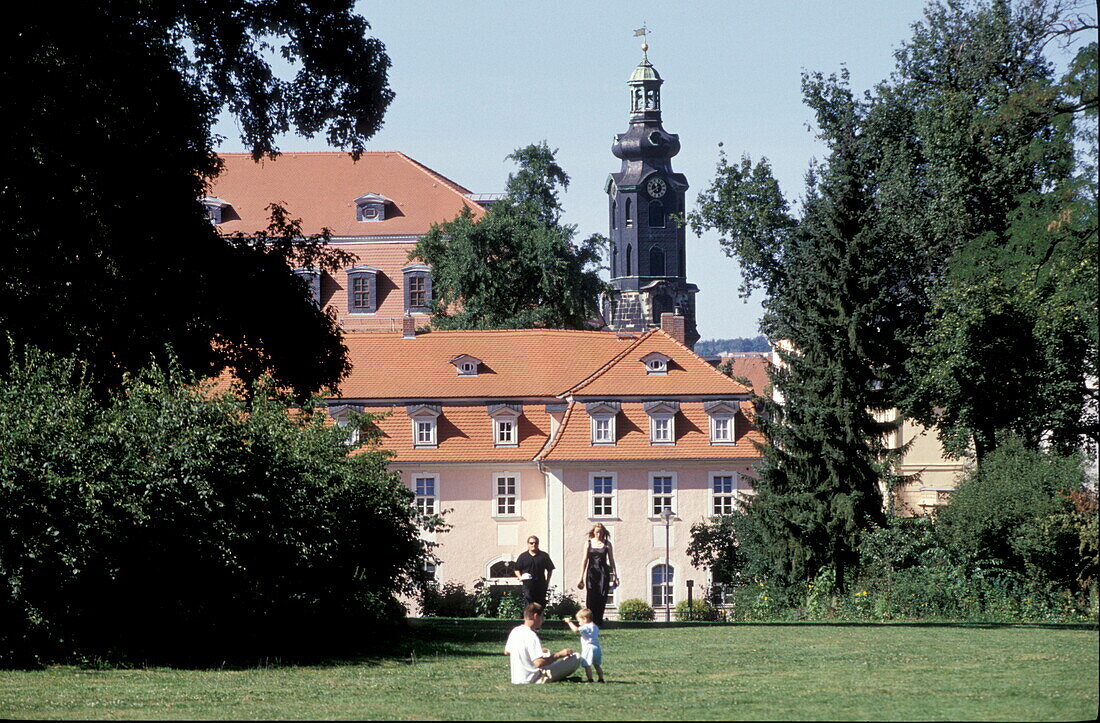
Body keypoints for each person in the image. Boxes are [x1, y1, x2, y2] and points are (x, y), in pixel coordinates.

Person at [504, 603, 582, 684]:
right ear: (535, 616)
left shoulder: (516, 631)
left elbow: (507, 651)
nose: (543, 620)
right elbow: (538, 663)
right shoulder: (531, 635)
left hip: (517, 678)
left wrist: (534, 651)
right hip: (533, 678)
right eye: (542, 617)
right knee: (576, 657)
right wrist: (559, 654)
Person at [576, 523, 617, 626]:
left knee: (602, 596)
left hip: (603, 573)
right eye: (597, 532)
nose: (599, 534)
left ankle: (598, 621)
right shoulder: (588, 543)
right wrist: (580, 578)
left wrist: (615, 576)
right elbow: (584, 560)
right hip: (591, 573)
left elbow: (611, 561)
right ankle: (589, 621)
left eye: (601, 532)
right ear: (593, 532)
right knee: (591, 596)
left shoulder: (607, 544)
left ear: (603, 532)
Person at [563, 607, 605, 683]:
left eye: (579, 621)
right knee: (597, 665)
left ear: (585, 619)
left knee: (587, 665)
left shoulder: (586, 627)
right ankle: (601, 679)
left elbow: (576, 630)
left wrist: (569, 622)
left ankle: (590, 679)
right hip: (597, 648)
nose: (579, 623)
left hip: (588, 648)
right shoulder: (595, 626)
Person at [514, 535, 554, 608]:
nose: (534, 545)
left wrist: (547, 581)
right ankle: (529, 618)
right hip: (527, 584)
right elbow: (516, 569)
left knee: (540, 604)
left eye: (536, 543)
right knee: (529, 602)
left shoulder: (544, 556)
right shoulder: (523, 556)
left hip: (540, 583)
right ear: (528, 544)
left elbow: (550, 569)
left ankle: (539, 618)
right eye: (531, 543)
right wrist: (520, 577)